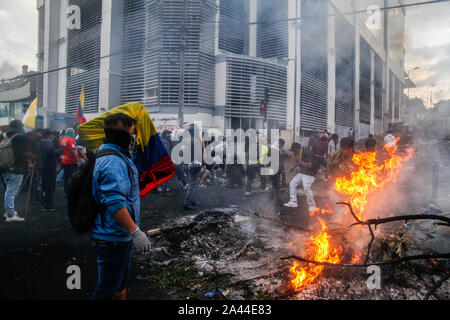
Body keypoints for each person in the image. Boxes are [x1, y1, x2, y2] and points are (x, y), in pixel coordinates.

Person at [90, 113, 150, 300]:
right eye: (132, 133)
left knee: (120, 285)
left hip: (118, 237)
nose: (135, 138)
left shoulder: (117, 155)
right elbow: (115, 203)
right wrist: (135, 231)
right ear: (121, 135)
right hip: (111, 238)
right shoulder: (113, 161)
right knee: (106, 290)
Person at [0, 120, 35, 222]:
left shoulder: (3, 136)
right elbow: (26, 152)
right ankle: (10, 215)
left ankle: (8, 211)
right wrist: (31, 162)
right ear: (19, 127)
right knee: (11, 192)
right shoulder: (21, 138)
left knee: (8, 190)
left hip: (3, 167)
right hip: (16, 168)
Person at [284, 142, 319, 211]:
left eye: (294, 150)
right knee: (292, 184)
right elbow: (297, 163)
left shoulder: (306, 153)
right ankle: (293, 202)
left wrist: (300, 161)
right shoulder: (298, 154)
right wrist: (293, 167)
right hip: (303, 173)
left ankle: (312, 206)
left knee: (306, 188)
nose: (293, 152)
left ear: (298, 149)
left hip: (310, 173)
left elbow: (309, 165)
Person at [39, 130, 62, 211]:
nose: (54, 136)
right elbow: (53, 153)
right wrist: (62, 148)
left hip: (44, 167)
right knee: (49, 187)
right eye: (52, 135)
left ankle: (44, 204)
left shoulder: (41, 143)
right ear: (48, 135)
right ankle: (47, 205)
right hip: (49, 167)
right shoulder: (48, 143)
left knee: (45, 186)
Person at [184, 124, 204, 211]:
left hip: (188, 164)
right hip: (192, 165)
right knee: (192, 185)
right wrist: (200, 163)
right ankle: (187, 204)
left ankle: (191, 201)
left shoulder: (189, 140)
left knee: (192, 184)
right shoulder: (195, 140)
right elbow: (197, 154)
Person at [59, 128, 79, 194]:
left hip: (64, 161)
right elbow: (72, 151)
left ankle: (66, 191)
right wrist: (78, 160)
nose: (74, 134)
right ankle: (71, 192)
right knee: (72, 177)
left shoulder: (63, 140)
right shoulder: (70, 140)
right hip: (71, 162)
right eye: (73, 133)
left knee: (66, 177)